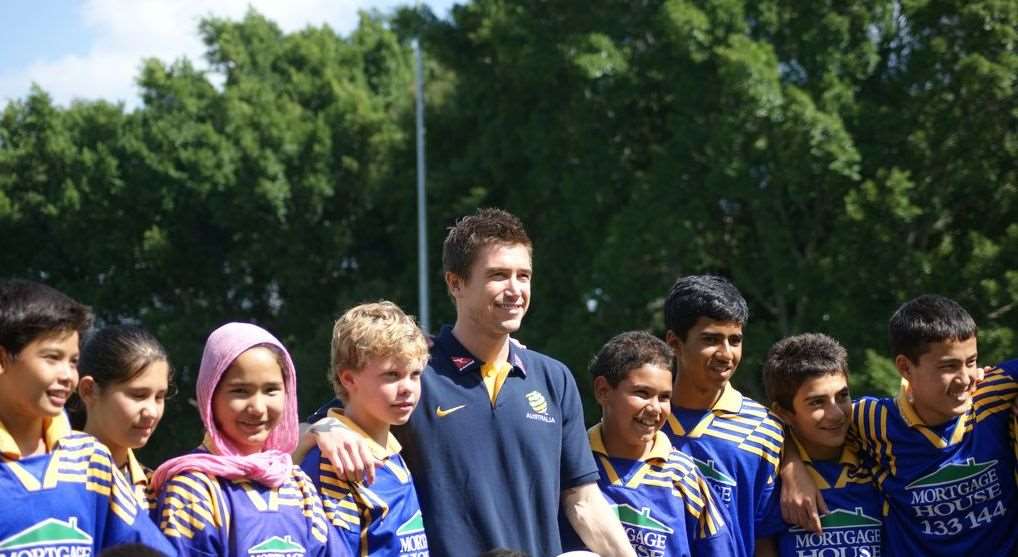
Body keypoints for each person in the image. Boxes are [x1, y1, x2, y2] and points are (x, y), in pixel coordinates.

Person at [303, 209, 634, 557]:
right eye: (498, 275)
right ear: (455, 283)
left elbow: (582, 500)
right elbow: (307, 433)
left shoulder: (554, 378)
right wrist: (321, 430)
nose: (515, 290)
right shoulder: (414, 373)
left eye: (523, 276)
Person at [784, 295, 1018, 555]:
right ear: (906, 367)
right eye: (949, 366)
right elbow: (786, 424)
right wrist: (792, 470)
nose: (965, 379)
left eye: (971, 362)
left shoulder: (993, 391)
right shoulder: (872, 419)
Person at [0, 279, 175, 556]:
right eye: (52, 358)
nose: (67, 375)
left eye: (73, 361)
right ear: (2, 360)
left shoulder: (89, 461)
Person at [150, 322, 344, 556]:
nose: (258, 408)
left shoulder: (298, 484)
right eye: (240, 391)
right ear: (210, 395)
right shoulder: (193, 489)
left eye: (271, 390)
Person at [577, 331, 737, 556]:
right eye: (642, 393)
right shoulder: (573, 465)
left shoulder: (683, 476)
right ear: (603, 390)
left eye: (664, 397)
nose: (654, 408)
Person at [659, 275, 785, 557]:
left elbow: (764, 537)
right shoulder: (644, 419)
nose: (726, 354)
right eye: (711, 339)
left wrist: (794, 463)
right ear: (674, 343)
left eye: (735, 340)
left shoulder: (764, 429)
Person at [300, 301, 430, 556]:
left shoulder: (391, 451)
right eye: (392, 375)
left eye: (415, 374)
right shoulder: (337, 461)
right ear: (348, 379)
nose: (407, 388)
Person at [757, 333, 883, 557]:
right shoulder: (767, 475)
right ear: (784, 413)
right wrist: (790, 464)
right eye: (817, 402)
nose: (836, 414)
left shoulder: (877, 447)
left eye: (843, 396)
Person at [72, 325, 172, 505]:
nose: (151, 412)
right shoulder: (50, 478)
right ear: (88, 390)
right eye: (138, 395)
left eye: (159, 397)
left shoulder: (158, 493)